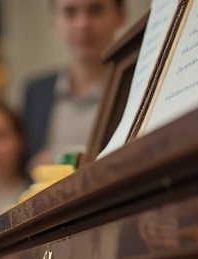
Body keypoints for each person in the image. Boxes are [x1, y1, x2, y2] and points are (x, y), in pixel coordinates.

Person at [23, 0, 127, 168]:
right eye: (70, 12)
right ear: (54, 21)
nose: (83, 24)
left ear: (121, 16)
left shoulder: (140, 85)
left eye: (96, 10)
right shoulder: (36, 92)